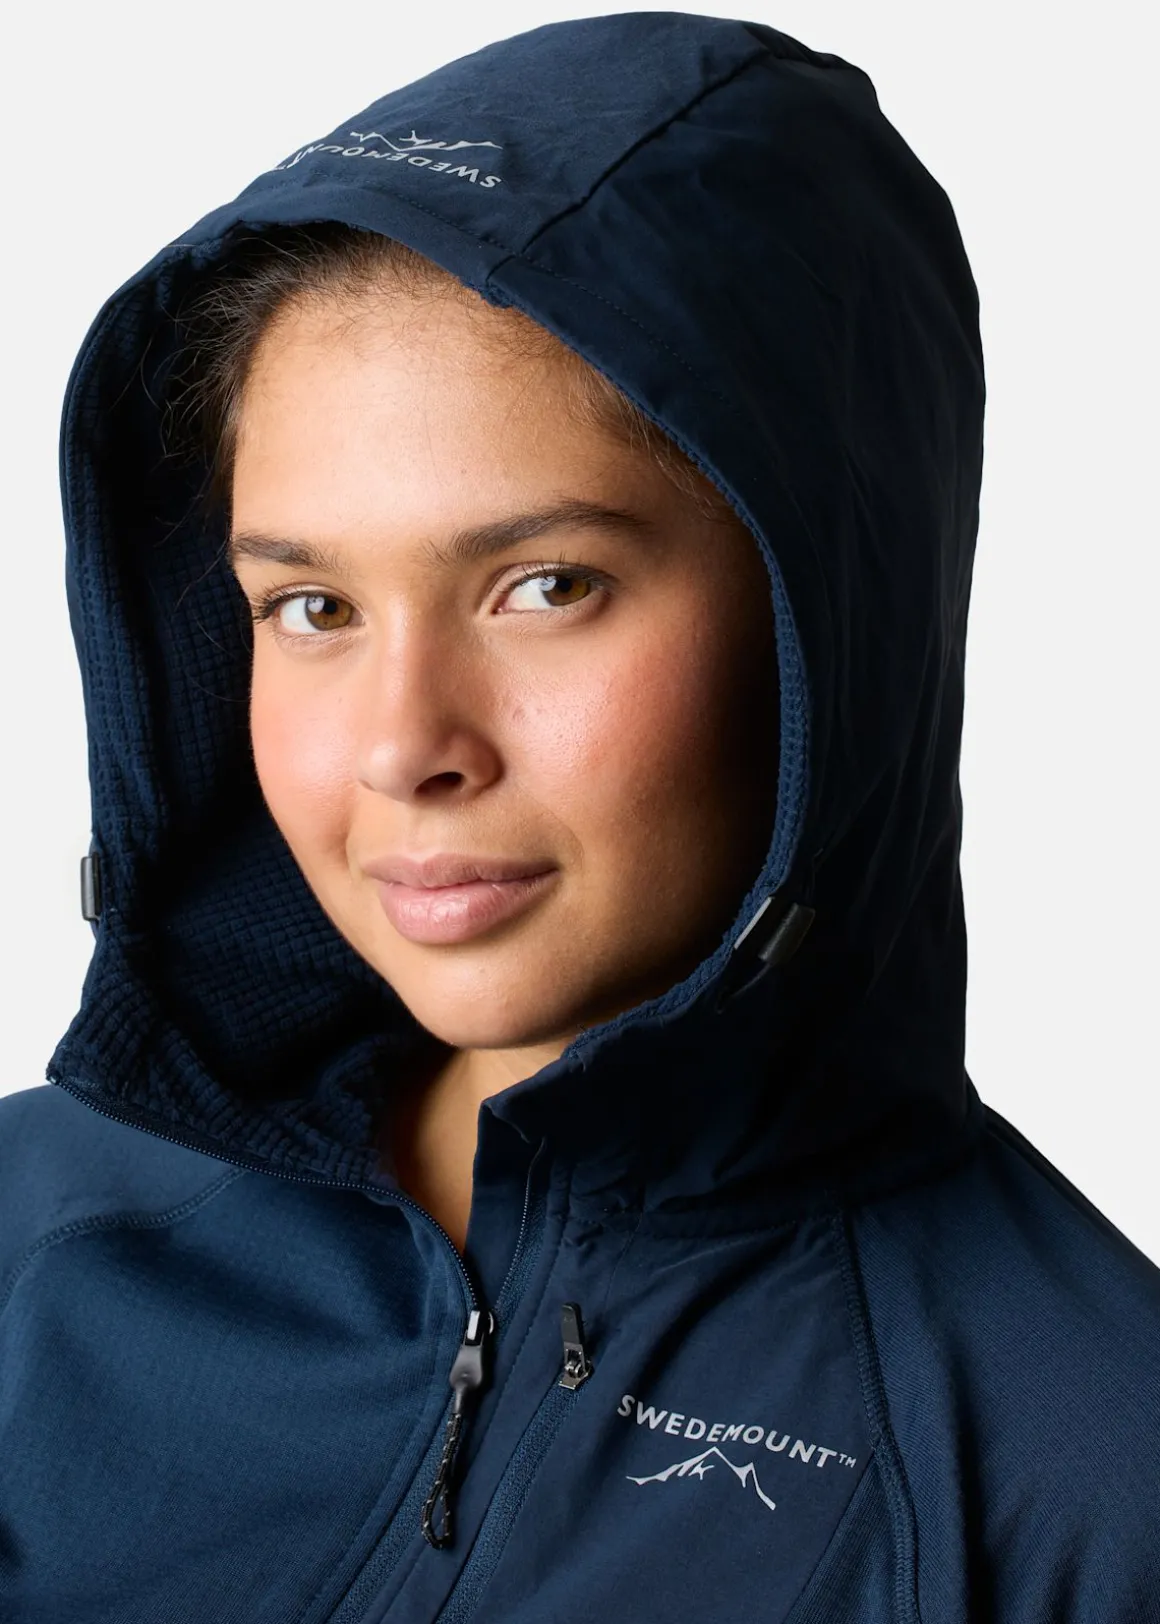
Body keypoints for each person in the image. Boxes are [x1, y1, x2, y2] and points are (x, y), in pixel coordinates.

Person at [1, 12, 1157, 1623]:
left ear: (830, 621)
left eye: (547, 586)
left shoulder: (1088, 1473)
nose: (403, 748)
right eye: (313, 608)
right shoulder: (33, 1247)